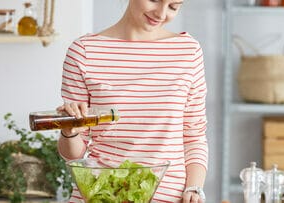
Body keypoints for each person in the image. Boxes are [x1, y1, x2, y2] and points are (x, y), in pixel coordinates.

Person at [56, 0, 208, 202]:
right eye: (154, 0)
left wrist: (194, 188)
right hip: (102, 194)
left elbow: (194, 135)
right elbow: (74, 154)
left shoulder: (188, 52)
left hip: (168, 197)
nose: (161, 14)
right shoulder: (84, 51)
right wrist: (69, 131)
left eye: (173, 6)